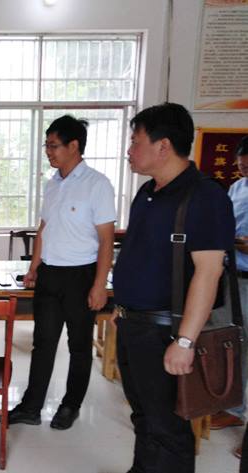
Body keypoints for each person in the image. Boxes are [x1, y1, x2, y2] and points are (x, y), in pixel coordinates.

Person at [112, 102, 235, 473]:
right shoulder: (147, 193)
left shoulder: (204, 197)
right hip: (133, 325)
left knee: (168, 426)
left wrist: (185, 341)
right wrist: (122, 310)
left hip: (166, 330)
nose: (129, 150)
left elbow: (208, 273)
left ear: (163, 145)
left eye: (135, 141)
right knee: (144, 415)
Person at [0, 115, 116, 430]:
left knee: (79, 346)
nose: (48, 151)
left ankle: (70, 406)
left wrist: (99, 285)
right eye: (46, 145)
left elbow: (106, 240)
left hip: (81, 276)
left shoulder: (97, 184)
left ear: (73, 146)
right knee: (43, 343)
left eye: (53, 145)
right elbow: (44, 228)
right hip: (50, 274)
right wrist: (34, 266)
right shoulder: (53, 184)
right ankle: (31, 407)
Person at [210, 136, 248, 459]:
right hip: (230, 277)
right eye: (241, 166)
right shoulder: (236, 189)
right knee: (229, 344)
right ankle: (232, 407)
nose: (243, 170)